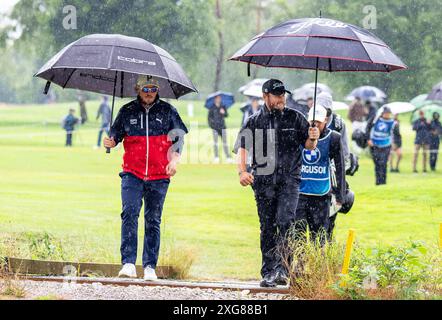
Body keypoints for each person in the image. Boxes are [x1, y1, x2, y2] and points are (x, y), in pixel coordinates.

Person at [233, 79, 319, 288]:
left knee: (285, 222)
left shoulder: (295, 117)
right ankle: (269, 271)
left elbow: (308, 146)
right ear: (265, 96)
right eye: (277, 95)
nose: (281, 98)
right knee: (268, 226)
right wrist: (242, 171)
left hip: (290, 181)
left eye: (283, 95)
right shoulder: (253, 121)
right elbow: (241, 148)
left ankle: (283, 268)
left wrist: (313, 137)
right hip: (263, 182)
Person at [103, 75, 188, 281]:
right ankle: (129, 264)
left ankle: (150, 266)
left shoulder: (168, 111)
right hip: (132, 173)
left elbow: (179, 139)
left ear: (157, 90)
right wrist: (110, 142)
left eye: (153, 89)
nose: (149, 93)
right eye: (145, 89)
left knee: (153, 219)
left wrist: (174, 161)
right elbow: (115, 136)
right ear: (137, 89)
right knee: (130, 214)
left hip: (160, 175)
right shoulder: (127, 111)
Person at [294, 105, 345, 245]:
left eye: (318, 122)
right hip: (300, 193)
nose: (314, 125)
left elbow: (340, 167)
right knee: (297, 235)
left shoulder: (334, 138)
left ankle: (317, 265)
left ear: (326, 120)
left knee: (320, 237)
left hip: (321, 195)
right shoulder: (299, 135)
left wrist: (340, 195)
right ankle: (299, 265)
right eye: (312, 121)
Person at [366, 107, 396, 185]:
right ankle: (378, 181)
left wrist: (394, 144)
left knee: (383, 163)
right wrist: (368, 139)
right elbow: (368, 128)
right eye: (386, 113)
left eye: (389, 114)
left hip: (386, 145)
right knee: (377, 163)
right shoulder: (375, 120)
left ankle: (383, 181)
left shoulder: (392, 122)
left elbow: (394, 134)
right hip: (375, 145)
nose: (387, 115)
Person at [208, 95, 232, 163]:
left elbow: (227, 115)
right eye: (218, 98)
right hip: (215, 128)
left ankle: (228, 157)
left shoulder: (223, 106)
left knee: (225, 142)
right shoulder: (212, 108)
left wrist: (223, 112)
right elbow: (209, 118)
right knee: (215, 143)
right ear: (215, 99)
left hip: (222, 127)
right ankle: (216, 157)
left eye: (220, 98)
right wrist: (212, 126)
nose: (219, 99)